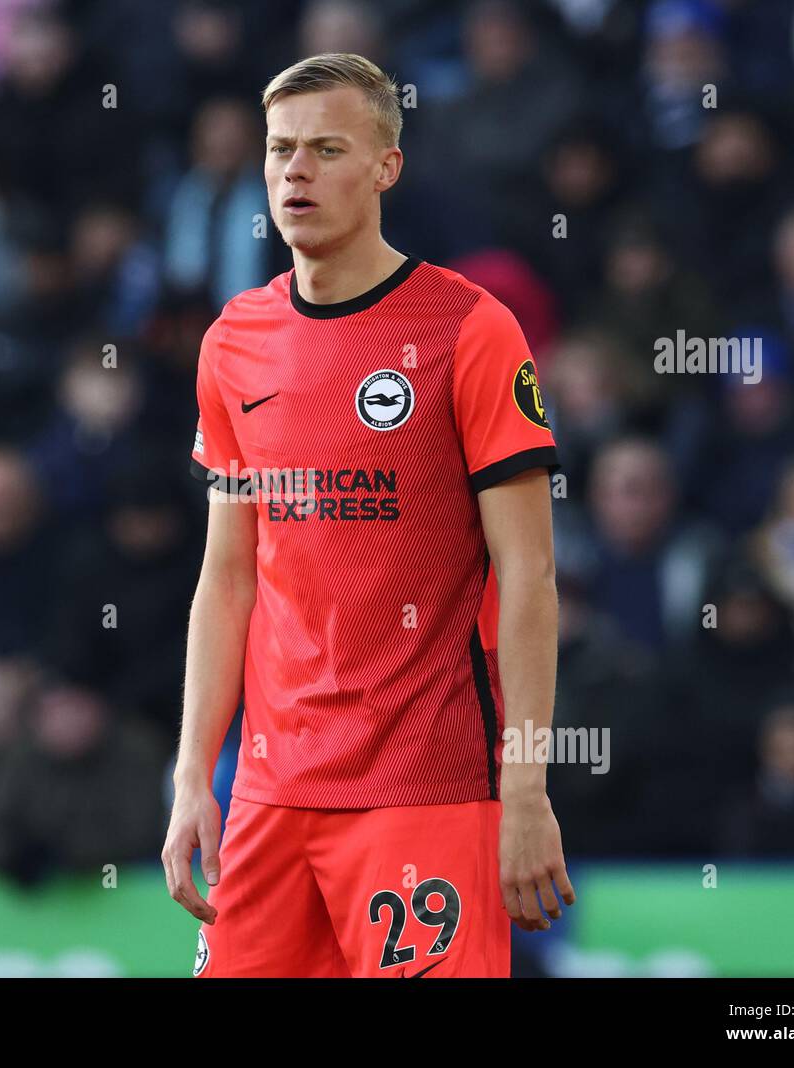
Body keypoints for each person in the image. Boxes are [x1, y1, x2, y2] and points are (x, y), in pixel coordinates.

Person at [162, 53, 572, 979]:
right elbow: (227, 580)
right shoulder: (234, 341)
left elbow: (530, 576)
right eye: (280, 150)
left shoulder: (470, 329)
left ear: (387, 166)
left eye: (326, 149)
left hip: (426, 787)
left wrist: (526, 785)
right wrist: (194, 777)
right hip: (269, 791)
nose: (294, 172)